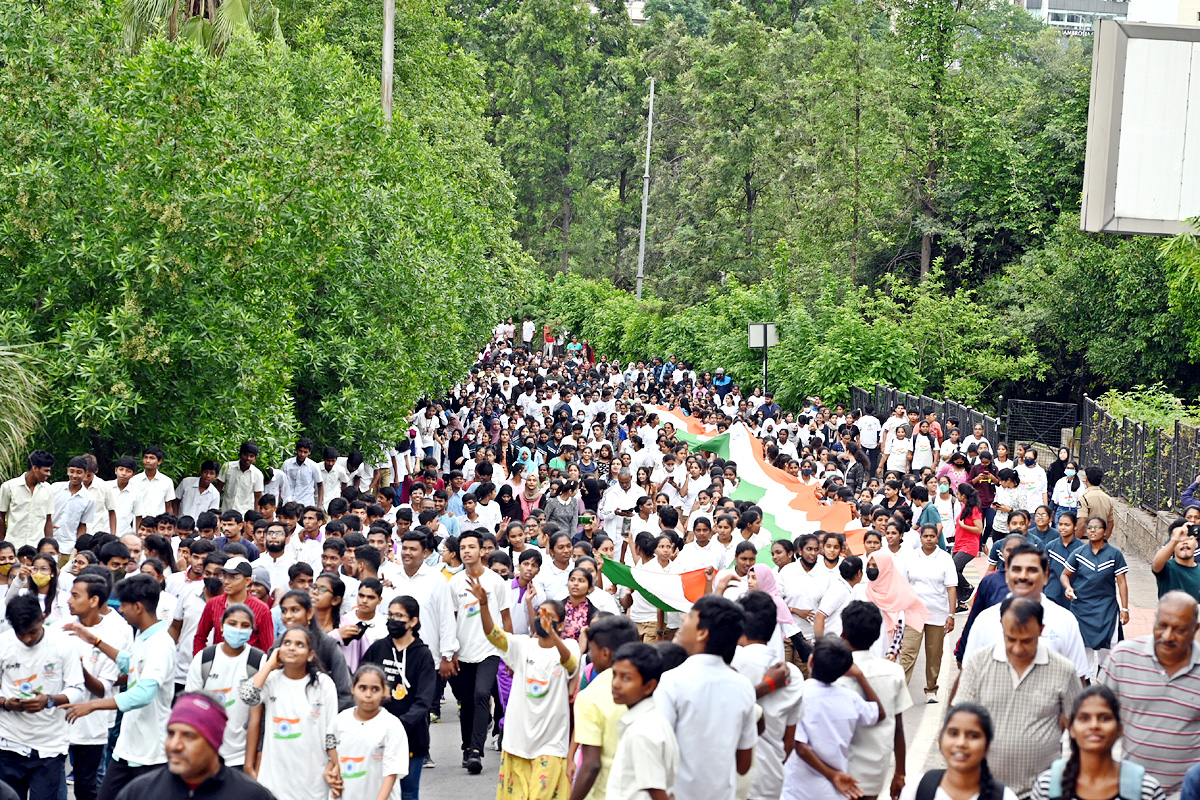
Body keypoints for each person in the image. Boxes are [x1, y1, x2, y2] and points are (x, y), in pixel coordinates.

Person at [62, 574, 177, 800]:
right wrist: (94, 640)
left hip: (150, 752)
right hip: (127, 746)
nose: (120, 610)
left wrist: (93, 705)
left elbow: (145, 693)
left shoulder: (161, 644)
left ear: (138, 606)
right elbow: (129, 662)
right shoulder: (144, 636)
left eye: (124, 605)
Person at [956, 596, 1082, 797]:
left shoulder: (1063, 670)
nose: (1017, 648)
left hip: (1041, 791)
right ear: (1001, 627)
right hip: (984, 787)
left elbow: (1078, 727)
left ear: (1041, 630)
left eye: (1026, 641)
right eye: (1010, 639)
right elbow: (959, 720)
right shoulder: (978, 663)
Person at [467, 576, 579, 798]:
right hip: (517, 741)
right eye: (540, 615)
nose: (543, 620)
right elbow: (494, 635)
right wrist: (483, 604)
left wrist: (554, 635)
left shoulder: (569, 646)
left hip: (551, 743)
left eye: (550, 617)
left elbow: (571, 664)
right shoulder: (522, 645)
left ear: (562, 624)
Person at [654, 595, 757, 800]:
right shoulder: (743, 686)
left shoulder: (672, 681)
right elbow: (744, 763)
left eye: (690, 616)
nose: (683, 618)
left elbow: (656, 751)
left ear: (702, 633)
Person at [1098, 591, 1200, 796]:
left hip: (1186, 793)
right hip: (1130, 788)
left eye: (1179, 630)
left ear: (1195, 629)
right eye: (1162, 625)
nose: (1167, 636)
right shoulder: (1122, 658)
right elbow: (1097, 719)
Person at [111, 693, 276, 800]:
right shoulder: (139, 793)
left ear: (214, 742)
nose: (175, 745)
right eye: (171, 733)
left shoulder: (251, 795)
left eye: (189, 736)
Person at [961, 544, 1091, 679]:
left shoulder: (1065, 620)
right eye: (1016, 570)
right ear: (1007, 574)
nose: (1023, 576)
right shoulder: (986, 620)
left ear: (1045, 575)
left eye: (1032, 570)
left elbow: (1078, 677)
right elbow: (968, 676)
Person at [0, 594, 84, 800]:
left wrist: (49, 700)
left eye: (33, 632)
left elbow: (77, 690)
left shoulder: (63, 644)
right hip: (9, 743)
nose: (27, 639)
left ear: (43, 618)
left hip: (50, 747)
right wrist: (7, 703)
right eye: (21, 634)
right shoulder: (3, 644)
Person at [241, 626, 341, 800]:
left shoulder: (324, 684)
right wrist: (270, 665)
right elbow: (247, 696)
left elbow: (331, 733)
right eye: (287, 643)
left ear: (310, 655)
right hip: (274, 781)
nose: (292, 648)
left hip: (313, 781)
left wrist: (336, 763)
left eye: (299, 644)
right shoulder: (271, 680)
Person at [783, 635, 884, 800]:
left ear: (811, 661)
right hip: (835, 792)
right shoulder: (850, 698)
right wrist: (860, 676)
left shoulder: (798, 695)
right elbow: (879, 713)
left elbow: (800, 747)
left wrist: (832, 775)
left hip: (799, 788)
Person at [61, 573, 133, 800]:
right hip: (55, 725)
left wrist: (78, 668)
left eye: (75, 595)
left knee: (87, 787)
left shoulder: (114, 635)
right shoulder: (60, 629)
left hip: (91, 727)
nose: (69, 601)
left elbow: (103, 688)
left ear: (93, 601)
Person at [447, 529, 512, 775]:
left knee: (482, 694)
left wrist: (510, 651)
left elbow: (506, 618)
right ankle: (467, 747)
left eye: (471, 547)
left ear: (481, 550)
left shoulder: (496, 582)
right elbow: (450, 620)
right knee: (467, 701)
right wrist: (450, 651)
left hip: (490, 650)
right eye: (462, 547)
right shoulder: (454, 583)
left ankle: (476, 751)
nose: (466, 551)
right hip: (462, 651)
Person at [1029, 685, 1166, 800]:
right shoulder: (1047, 787)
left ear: (1119, 729)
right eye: (1084, 718)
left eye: (1104, 718)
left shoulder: (1145, 789)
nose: (1094, 726)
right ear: (1072, 729)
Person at [361, 595, 436, 796]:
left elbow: (424, 700)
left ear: (413, 621)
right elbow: (360, 682)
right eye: (390, 615)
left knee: (408, 793)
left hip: (411, 737)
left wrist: (399, 725)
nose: (393, 620)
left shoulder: (422, 655)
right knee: (375, 791)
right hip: (375, 734)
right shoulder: (378, 648)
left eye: (399, 616)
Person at [837, 601, 912, 800]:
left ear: (843, 632)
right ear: (878, 634)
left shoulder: (833, 672)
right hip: (874, 772)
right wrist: (900, 773)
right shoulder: (894, 672)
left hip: (837, 771)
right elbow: (899, 727)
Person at [733, 592, 804, 800]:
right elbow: (789, 741)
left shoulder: (731, 662)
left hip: (732, 775)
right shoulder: (794, 674)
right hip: (771, 777)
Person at [183, 603, 265, 769]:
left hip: (240, 757)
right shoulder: (205, 658)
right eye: (232, 624)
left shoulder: (258, 662)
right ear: (221, 626)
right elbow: (192, 709)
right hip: (207, 754)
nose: (238, 630)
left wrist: (249, 763)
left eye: (245, 626)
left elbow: (256, 717)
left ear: (252, 630)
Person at [569, 615, 640, 800]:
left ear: (605, 653)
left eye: (592, 650)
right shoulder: (648, 685)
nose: (590, 656)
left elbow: (592, 764)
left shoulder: (590, 696)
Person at [605, 643, 679, 800]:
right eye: (614, 675)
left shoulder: (642, 731)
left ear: (649, 686)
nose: (616, 684)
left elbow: (657, 792)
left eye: (626, 678)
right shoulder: (652, 719)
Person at [899, 704, 1019, 800]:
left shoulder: (1004, 797)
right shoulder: (917, 789)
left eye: (973, 736)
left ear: (987, 746)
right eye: (953, 733)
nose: (961, 743)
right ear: (941, 739)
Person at [1061, 516, 1129, 674]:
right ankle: (1084, 689)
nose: (1093, 530)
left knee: (1110, 652)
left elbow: (1122, 583)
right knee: (1083, 653)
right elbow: (1065, 575)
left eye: (1097, 527)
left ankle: (1106, 686)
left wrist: (1125, 609)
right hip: (1082, 608)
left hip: (1107, 609)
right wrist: (1068, 588)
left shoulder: (1115, 554)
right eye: (1090, 527)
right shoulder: (1079, 553)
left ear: (1105, 531)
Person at [899, 524, 957, 703]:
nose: (929, 539)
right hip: (913, 613)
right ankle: (898, 691)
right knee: (908, 652)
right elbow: (903, 585)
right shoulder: (911, 557)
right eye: (926, 536)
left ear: (936, 537)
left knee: (934, 654)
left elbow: (951, 588)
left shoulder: (945, 558)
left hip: (937, 613)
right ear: (921, 537)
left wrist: (951, 614)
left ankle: (931, 690)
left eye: (932, 536)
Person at [333, 665, 409, 800]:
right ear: (353, 689)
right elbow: (331, 760)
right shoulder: (339, 722)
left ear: (384, 692)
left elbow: (392, 771)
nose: (368, 695)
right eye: (362, 688)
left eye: (375, 689)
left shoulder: (392, 725)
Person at [0, 451, 55, 551]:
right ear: (34, 468)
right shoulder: (9, 487)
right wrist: (2, 544)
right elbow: (1, 517)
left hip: (37, 547)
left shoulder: (48, 489)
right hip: (13, 547)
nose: (49, 474)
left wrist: (50, 547)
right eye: (46, 471)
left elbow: (48, 519)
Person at [1152, 518, 1200, 601]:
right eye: (1179, 540)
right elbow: (1156, 564)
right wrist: (1174, 539)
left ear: (1196, 543)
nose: (1184, 542)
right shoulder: (1167, 568)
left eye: (1187, 538)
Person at [1077, 467, 1116, 541]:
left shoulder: (1084, 498)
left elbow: (1082, 523)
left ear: (1087, 479)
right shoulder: (1108, 499)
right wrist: (1104, 539)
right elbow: (1110, 523)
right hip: (1100, 540)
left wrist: (1075, 540)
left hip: (1086, 540)